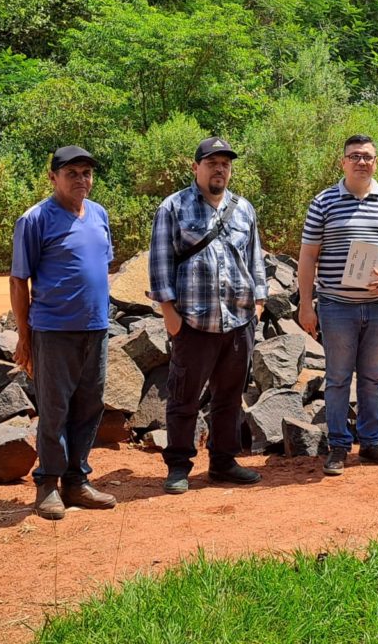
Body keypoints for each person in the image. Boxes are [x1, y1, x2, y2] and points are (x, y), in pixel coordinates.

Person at [148, 136, 268, 495]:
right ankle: (179, 466)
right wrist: (170, 313)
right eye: (212, 162)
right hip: (193, 322)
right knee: (184, 397)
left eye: (225, 164)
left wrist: (258, 306)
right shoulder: (174, 207)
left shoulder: (243, 208)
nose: (220, 169)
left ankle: (223, 462)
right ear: (195, 167)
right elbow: (160, 262)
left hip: (237, 321)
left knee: (229, 398)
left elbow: (255, 259)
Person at [298, 134, 378, 476]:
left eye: (367, 156)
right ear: (343, 163)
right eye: (355, 156)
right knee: (337, 378)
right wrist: (306, 305)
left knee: (371, 377)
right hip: (337, 307)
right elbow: (308, 255)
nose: (361, 162)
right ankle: (338, 446)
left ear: (376, 162)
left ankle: (370, 444)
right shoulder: (323, 202)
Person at [10, 145, 118, 520]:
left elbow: (101, 268)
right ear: (53, 176)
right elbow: (18, 280)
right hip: (53, 331)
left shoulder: (99, 215)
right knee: (54, 410)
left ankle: (77, 480)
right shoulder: (35, 219)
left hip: (96, 329)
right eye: (72, 173)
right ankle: (47, 484)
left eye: (86, 173)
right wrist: (25, 337)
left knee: (90, 406)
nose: (81, 180)